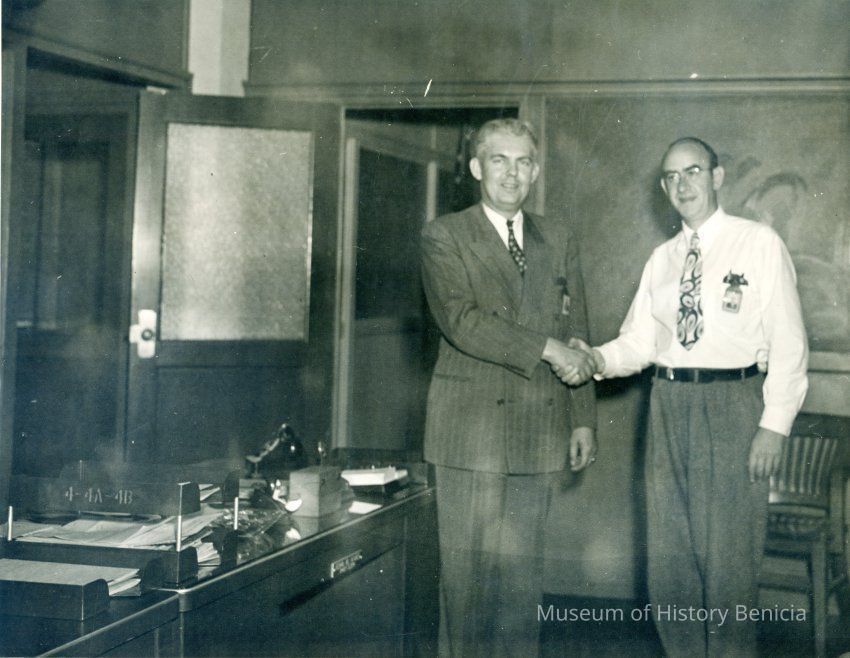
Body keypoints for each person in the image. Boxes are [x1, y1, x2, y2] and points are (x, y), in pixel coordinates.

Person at [566, 137, 808, 657]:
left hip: (733, 405)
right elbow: (641, 342)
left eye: (693, 171)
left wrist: (774, 425)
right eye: (671, 177)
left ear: (717, 177)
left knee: (728, 564)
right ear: (664, 188)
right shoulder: (663, 259)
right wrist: (596, 359)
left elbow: (790, 341)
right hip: (668, 405)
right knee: (670, 561)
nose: (683, 185)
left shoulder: (758, 243)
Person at [420, 118, 598, 657]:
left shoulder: (558, 237)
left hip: (538, 429)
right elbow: (463, 322)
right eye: (499, 160)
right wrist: (549, 349)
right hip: (468, 435)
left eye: (523, 162)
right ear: (477, 168)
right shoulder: (444, 235)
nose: (512, 174)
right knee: (467, 592)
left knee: (522, 590)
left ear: (536, 171)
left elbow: (577, 329)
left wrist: (583, 417)